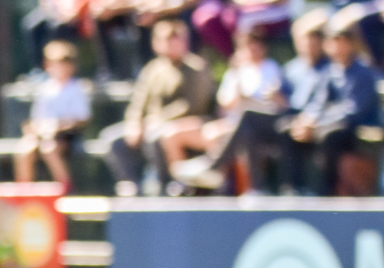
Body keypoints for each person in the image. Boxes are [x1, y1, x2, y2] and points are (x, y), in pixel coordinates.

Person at [98, 18, 216, 195]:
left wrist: (158, 119)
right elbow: (138, 101)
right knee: (113, 140)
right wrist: (134, 123)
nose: (170, 44)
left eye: (175, 39)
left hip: (181, 125)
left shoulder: (196, 67)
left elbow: (192, 105)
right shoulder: (153, 69)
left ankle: (164, 185)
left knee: (156, 137)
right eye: (165, 40)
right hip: (149, 124)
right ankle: (132, 185)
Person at [169, 27, 287, 192]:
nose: (252, 50)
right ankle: (199, 183)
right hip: (233, 123)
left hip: (261, 124)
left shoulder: (271, 68)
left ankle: (215, 170)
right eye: (247, 46)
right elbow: (226, 104)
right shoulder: (236, 72)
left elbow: (276, 103)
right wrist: (237, 77)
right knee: (209, 132)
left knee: (242, 125)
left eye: (255, 45)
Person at [280, 21, 381, 195]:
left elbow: (354, 110)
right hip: (332, 124)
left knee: (329, 136)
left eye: (340, 41)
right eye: (333, 42)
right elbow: (319, 102)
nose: (336, 47)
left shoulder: (363, 71)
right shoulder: (330, 71)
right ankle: (294, 188)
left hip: (358, 130)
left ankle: (326, 191)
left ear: (351, 43)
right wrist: (307, 120)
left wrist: (317, 125)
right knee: (288, 129)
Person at [15, 41, 92, 187]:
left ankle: (65, 187)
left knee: (49, 148)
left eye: (64, 64)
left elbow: (81, 118)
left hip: (66, 136)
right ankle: (24, 191)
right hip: (44, 133)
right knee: (24, 149)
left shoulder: (77, 88)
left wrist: (57, 127)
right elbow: (36, 117)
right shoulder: (46, 88)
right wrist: (35, 129)